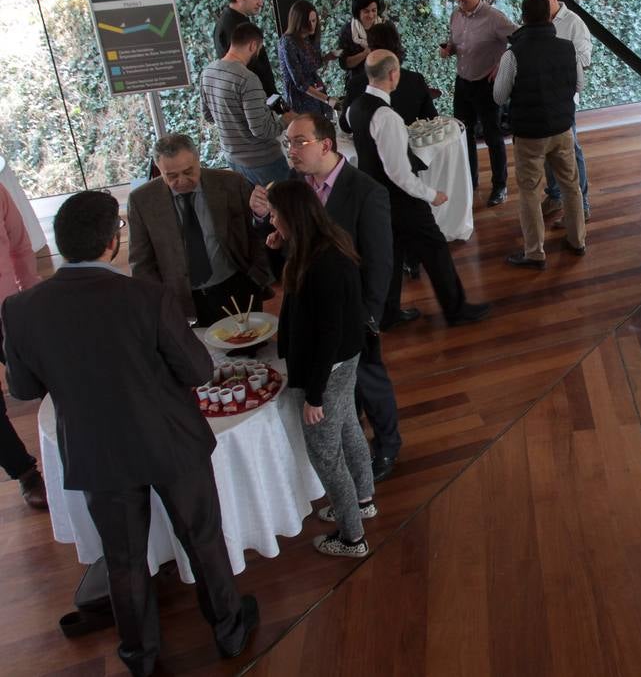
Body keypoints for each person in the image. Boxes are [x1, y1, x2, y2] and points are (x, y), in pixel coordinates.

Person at [3, 191, 259, 675]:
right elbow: (197, 370)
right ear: (111, 243)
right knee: (202, 538)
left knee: (123, 559)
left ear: (61, 244)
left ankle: (139, 655)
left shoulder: (19, 310)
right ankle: (229, 630)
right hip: (169, 439)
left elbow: (24, 388)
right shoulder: (148, 296)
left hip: (95, 449)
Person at [249, 114, 404, 482]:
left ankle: (388, 443)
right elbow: (287, 241)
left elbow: (380, 262)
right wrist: (261, 218)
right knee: (338, 392)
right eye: (288, 143)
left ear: (326, 144)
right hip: (311, 311)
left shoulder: (366, 191)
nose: (291, 151)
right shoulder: (292, 185)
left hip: (352, 314)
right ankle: (353, 439)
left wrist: (368, 317)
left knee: (369, 378)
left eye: (299, 142)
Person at [266, 180, 374, 558]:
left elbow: (328, 332)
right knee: (348, 428)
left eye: (275, 215)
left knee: (327, 457)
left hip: (327, 368)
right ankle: (362, 499)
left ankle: (352, 537)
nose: (272, 220)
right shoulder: (323, 242)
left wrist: (314, 395)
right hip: (345, 360)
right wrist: (279, 248)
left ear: (291, 215)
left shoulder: (322, 263)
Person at [347, 49, 489, 327]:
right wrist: (432, 194)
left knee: (392, 253)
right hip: (401, 200)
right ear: (393, 74)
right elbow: (399, 173)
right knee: (435, 248)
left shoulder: (355, 108)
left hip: (376, 198)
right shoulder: (387, 117)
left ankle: (387, 314)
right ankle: (456, 310)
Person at [128, 133, 272, 324]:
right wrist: (159, 303)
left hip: (236, 287)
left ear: (198, 159)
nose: (181, 181)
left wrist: (258, 276)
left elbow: (257, 232)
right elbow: (141, 263)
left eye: (188, 171)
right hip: (181, 300)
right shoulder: (142, 200)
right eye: (171, 176)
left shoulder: (231, 183)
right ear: (159, 169)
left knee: (247, 340)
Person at [493, 0, 586, 269]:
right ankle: (577, 240)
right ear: (549, 16)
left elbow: (499, 96)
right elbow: (579, 85)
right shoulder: (567, 48)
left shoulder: (513, 54)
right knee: (571, 185)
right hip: (562, 129)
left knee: (530, 192)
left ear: (523, 18)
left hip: (530, 135)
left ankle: (535, 253)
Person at [440, 0, 517, 207]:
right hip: (463, 82)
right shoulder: (455, 15)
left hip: (487, 84)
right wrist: (449, 49)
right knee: (465, 135)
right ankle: (470, 182)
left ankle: (500, 186)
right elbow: (457, 43)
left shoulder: (495, 18)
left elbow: (520, 39)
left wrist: (503, 62)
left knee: (493, 137)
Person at [530, 0, 595, 224]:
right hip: (541, 97)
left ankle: (583, 204)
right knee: (548, 149)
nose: (536, 4)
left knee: (571, 150)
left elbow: (585, 60)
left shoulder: (574, 23)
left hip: (563, 98)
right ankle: (555, 196)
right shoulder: (533, 20)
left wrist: (555, 62)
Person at [201, 21, 293, 186]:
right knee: (283, 202)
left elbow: (209, 115)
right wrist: (285, 120)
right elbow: (261, 130)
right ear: (253, 45)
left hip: (233, 159)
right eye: (259, 49)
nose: (257, 53)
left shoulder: (207, 72)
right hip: (263, 161)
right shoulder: (247, 78)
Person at [0, 182, 44, 509]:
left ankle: (90, 446)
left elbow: (19, 245)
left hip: (8, 309)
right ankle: (24, 471)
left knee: (49, 377)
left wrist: (30, 296)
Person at [213, 0, 279, 102]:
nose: (260, 3)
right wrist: (273, 99)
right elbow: (252, 68)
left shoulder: (226, 21)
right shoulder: (236, 27)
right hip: (253, 97)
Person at [365, 21, 438, 125]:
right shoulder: (415, 80)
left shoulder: (356, 83)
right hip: (409, 135)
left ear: (371, 50)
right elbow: (432, 120)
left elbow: (345, 126)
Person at [277, 0, 336, 117]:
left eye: (314, 21)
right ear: (298, 22)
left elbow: (314, 64)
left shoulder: (309, 38)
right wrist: (327, 99)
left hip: (315, 89)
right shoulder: (288, 42)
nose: (312, 25)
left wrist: (328, 57)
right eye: (307, 22)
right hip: (299, 96)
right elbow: (300, 83)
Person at [337, 0, 385, 130]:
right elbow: (344, 63)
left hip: (382, 83)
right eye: (366, 11)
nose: (371, 15)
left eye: (374, 10)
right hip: (358, 85)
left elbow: (398, 55)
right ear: (357, 12)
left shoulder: (384, 27)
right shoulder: (347, 31)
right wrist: (365, 53)